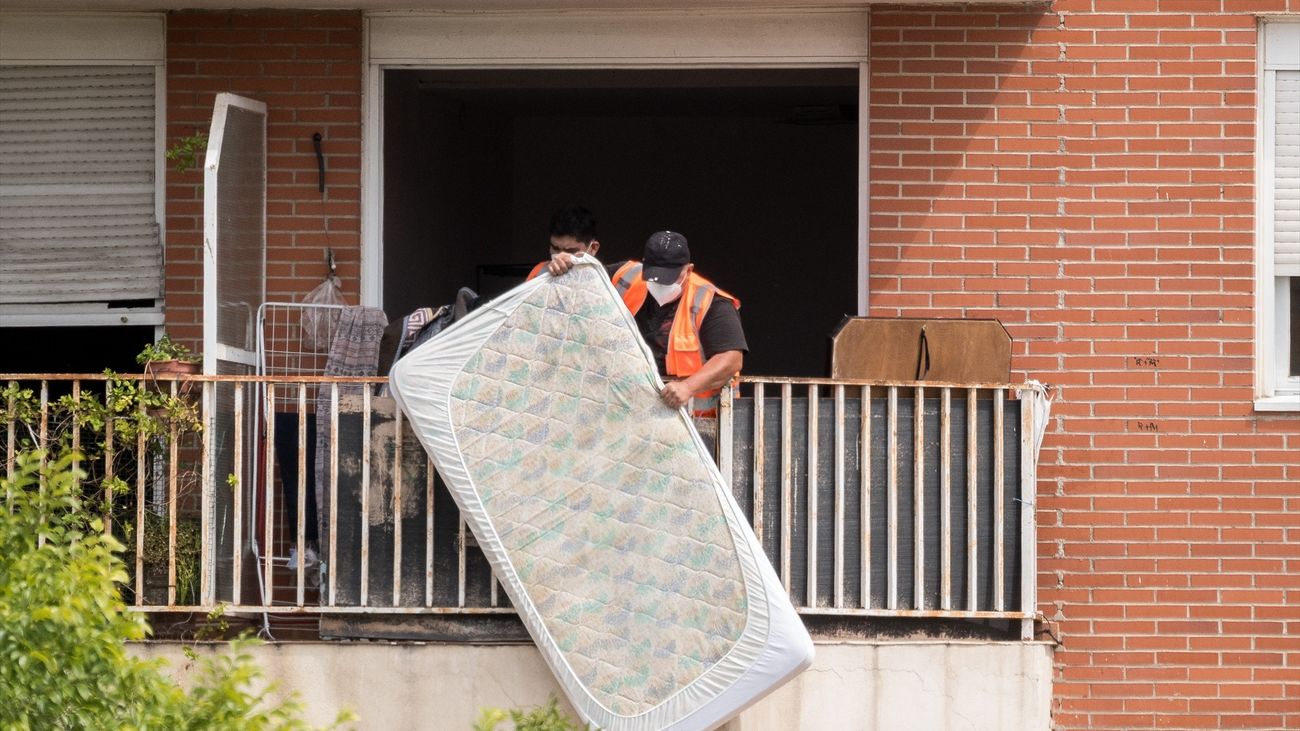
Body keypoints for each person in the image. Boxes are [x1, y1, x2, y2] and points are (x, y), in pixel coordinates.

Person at [551, 228, 746, 417]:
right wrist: (569, 263)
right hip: (628, 411)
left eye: (668, 278)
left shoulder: (710, 302)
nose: (660, 284)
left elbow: (731, 359)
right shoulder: (625, 276)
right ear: (645, 264)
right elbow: (583, 279)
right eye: (655, 276)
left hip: (695, 420)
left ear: (689, 269)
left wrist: (688, 387)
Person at [527, 205, 602, 280]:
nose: (560, 257)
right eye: (555, 248)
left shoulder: (610, 281)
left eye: (570, 251)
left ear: (593, 248)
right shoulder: (538, 273)